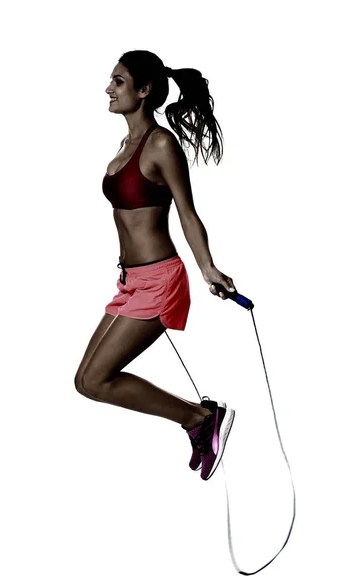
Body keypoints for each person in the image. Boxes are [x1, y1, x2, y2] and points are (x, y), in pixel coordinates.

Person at [74, 50, 236, 480]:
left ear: (145, 90)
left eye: (119, 81)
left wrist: (208, 268)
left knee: (97, 380)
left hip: (160, 281)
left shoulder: (160, 143)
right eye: (111, 80)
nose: (109, 88)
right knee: (86, 382)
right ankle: (200, 417)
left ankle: (200, 420)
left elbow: (187, 212)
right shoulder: (125, 144)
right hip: (131, 281)